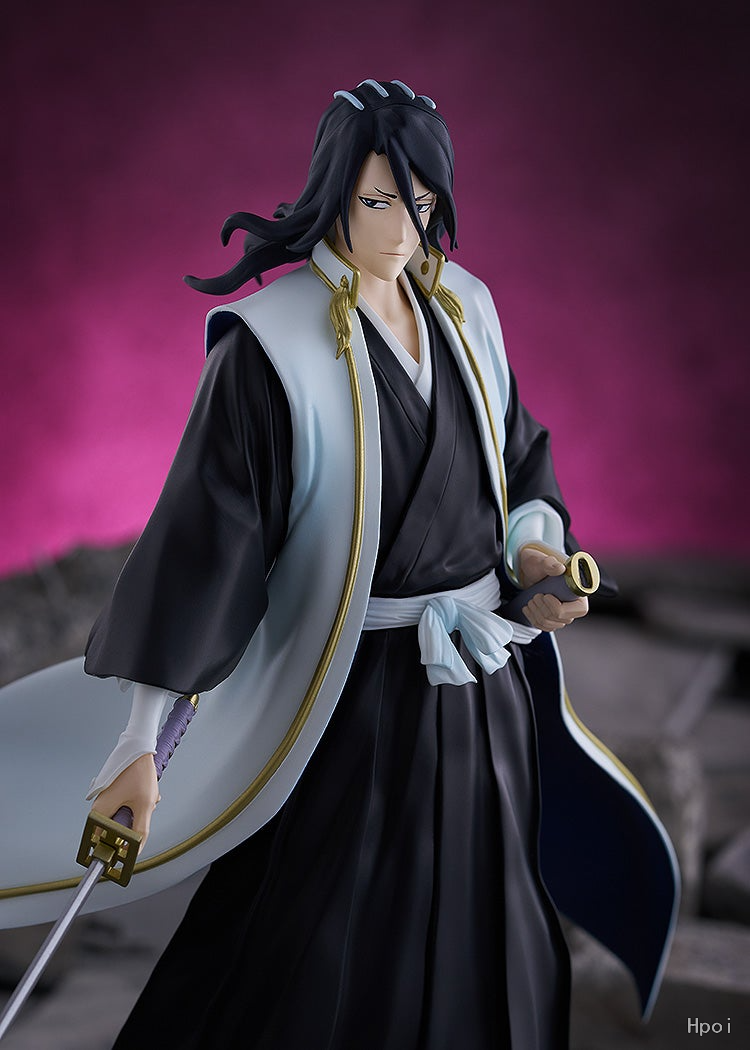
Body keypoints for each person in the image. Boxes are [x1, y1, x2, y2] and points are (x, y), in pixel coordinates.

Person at [0, 80, 678, 1049]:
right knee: (309, 941)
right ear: (335, 194)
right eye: (378, 202)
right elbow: (205, 546)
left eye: (421, 205)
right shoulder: (273, 348)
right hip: (347, 700)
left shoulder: (464, 310)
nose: (402, 231)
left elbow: (518, 455)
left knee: (491, 931)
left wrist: (533, 547)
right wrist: (140, 741)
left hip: (479, 694)